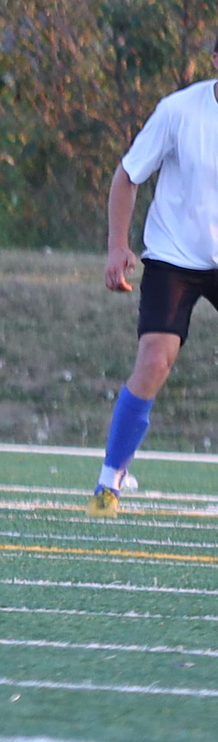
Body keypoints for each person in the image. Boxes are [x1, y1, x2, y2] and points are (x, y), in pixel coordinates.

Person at [93, 29, 218, 512]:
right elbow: (128, 175)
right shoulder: (180, 111)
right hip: (173, 255)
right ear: (214, 59)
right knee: (154, 360)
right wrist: (116, 247)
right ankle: (108, 484)